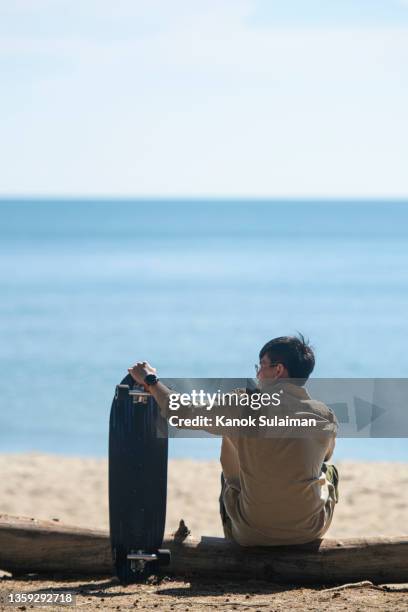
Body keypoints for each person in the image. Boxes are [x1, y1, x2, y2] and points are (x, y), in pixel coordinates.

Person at [128, 334, 339, 546]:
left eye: (262, 366)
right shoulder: (324, 415)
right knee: (328, 470)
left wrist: (150, 380)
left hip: (250, 533)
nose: (257, 373)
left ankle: (234, 542)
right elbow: (326, 455)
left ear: (278, 370)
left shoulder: (242, 405)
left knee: (229, 473)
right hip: (308, 532)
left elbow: (182, 413)